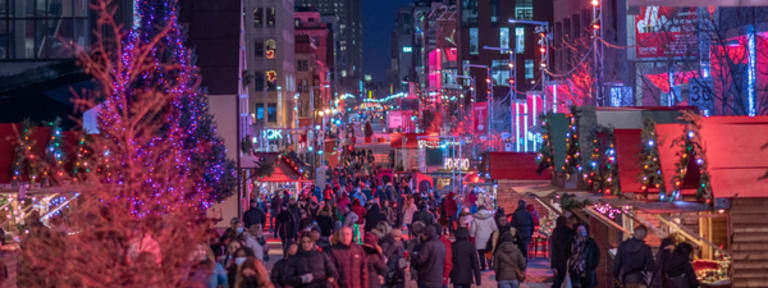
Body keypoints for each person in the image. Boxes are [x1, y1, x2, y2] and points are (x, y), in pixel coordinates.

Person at [568, 223, 600, 288]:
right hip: (574, 270)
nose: (581, 232)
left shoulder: (590, 242)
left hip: (587, 270)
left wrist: (592, 266)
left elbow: (597, 254)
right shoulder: (573, 241)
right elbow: (567, 253)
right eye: (579, 229)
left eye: (582, 230)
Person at [470, 205, 497, 271]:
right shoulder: (490, 217)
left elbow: (473, 229)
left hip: (479, 237)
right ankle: (490, 264)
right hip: (488, 236)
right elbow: (494, 228)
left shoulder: (475, 218)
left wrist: (471, 235)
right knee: (488, 251)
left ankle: (483, 265)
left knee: (481, 252)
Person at [549, 216, 574, 288]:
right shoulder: (569, 232)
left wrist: (553, 265)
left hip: (558, 259)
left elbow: (554, 248)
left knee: (559, 279)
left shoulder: (555, 231)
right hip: (567, 257)